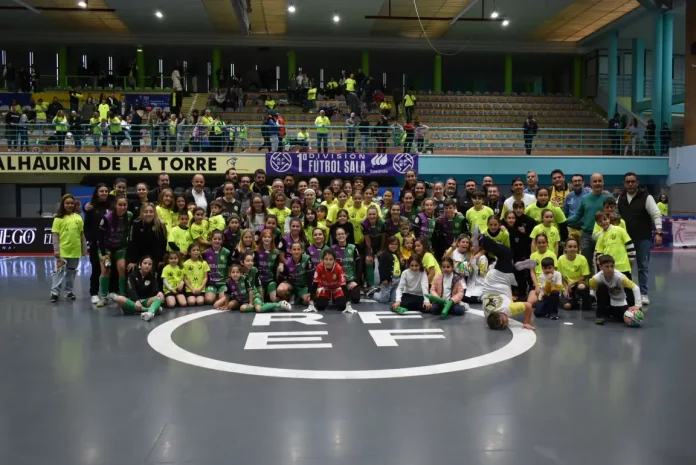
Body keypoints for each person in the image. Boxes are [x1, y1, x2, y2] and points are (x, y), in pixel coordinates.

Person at [617, 172, 663, 305]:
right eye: (627, 182)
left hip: (643, 238)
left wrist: (659, 232)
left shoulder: (646, 197)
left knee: (643, 266)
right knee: (625, 267)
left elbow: (656, 214)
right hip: (625, 239)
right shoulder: (620, 198)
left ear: (637, 183)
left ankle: (643, 293)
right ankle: (627, 292)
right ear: (624, 183)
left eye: (633, 181)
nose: (630, 184)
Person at [477, 234, 537, 331]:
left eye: (504, 321)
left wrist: (526, 322)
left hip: (499, 280)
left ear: (501, 314)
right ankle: (516, 267)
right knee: (505, 260)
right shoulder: (487, 313)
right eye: (505, 324)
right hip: (492, 282)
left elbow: (528, 306)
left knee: (507, 252)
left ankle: (483, 240)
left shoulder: (508, 309)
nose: (507, 322)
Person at [565, 173, 611, 270]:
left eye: (599, 181)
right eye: (595, 181)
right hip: (587, 235)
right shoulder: (585, 198)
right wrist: (563, 221)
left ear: (603, 182)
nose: (597, 183)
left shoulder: (608, 198)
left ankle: (602, 283)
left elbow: (615, 215)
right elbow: (578, 215)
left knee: (604, 261)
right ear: (590, 183)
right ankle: (588, 283)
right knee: (586, 262)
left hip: (604, 234)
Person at [50, 195, 86, 303]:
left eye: (71, 203)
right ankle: (54, 292)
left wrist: (84, 249)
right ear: (63, 204)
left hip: (75, 251)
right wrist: (56, 250)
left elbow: (81, 235)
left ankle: (69, 292)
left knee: (71, 272)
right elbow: (55, 235)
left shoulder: (78, 217)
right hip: (63, 251)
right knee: (59, 272)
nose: (69, 205)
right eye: (67, 203)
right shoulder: (58, 218)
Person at [97, 196, 133, 305]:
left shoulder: (129, 216)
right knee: (105, 270)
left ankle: (122, 295)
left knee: (122, 268)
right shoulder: (107, 218)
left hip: (121, 247)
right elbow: (100, 236)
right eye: (120, 205)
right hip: (106, 248)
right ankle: (103, 297)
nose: (122, 207)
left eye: (124, 205)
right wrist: (103, 254)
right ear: (115, 205)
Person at [590, 254, 642, 325]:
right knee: (601, 287)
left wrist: (637, 305)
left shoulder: (620, 277)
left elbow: (635, 287)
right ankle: (601, 315)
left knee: (628, 316)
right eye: (607, 266)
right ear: (600, 267)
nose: (610, 269)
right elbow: (592, 291)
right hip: (607, 304)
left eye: (612, 266)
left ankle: (613, 313)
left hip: (619, 303)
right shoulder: (595, 279)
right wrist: (601, 303)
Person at [112, 256, 165, 321]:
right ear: (140, 264)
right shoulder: (132, 275)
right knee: (119, 298)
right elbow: (131, 289)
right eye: (145, 263)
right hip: (132, 302)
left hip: (145, 301)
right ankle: (148, 310)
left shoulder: (152, 277)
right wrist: (136, 300)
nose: (147, 266)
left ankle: (149, 313)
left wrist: (159, 292)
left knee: (159, 297)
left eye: (149, 264)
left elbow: (156, 288)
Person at [557, 237, 591, 310]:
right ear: (565, 248)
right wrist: (566, 288)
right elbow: (560, 277)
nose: (572, 249)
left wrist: (572, 283)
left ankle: (586, 304)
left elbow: (584, 276)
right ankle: (573, 301)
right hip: (566, 285)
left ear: (578, 248)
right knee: (567, 306)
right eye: (570, 247)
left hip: (578, 284)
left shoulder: (582, 258)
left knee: (582, 287)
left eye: (575, 247)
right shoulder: (560, 259)